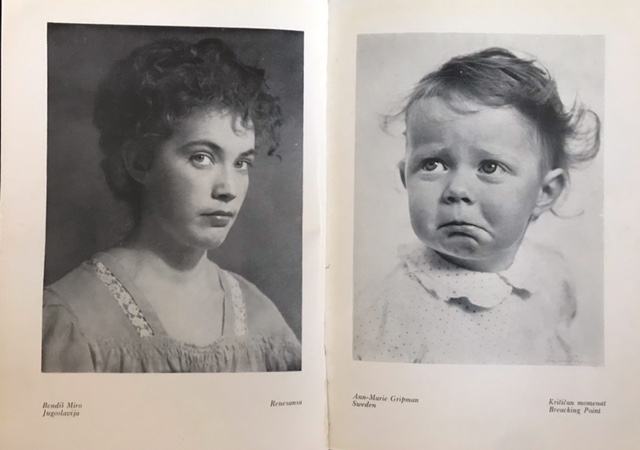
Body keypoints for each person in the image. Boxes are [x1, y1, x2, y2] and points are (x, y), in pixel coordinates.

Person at [42, 37, 301, 372]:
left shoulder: (261, 317)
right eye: (202, 157)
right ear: (140, 162)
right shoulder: (73, 317)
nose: (228, 189)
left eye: (241, 163)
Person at [354, 47, 600, 365]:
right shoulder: (390, 310)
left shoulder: (551, 277)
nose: (457, 190)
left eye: (489, 167)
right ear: (406, 177)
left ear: (545, 191)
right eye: (433, 164)